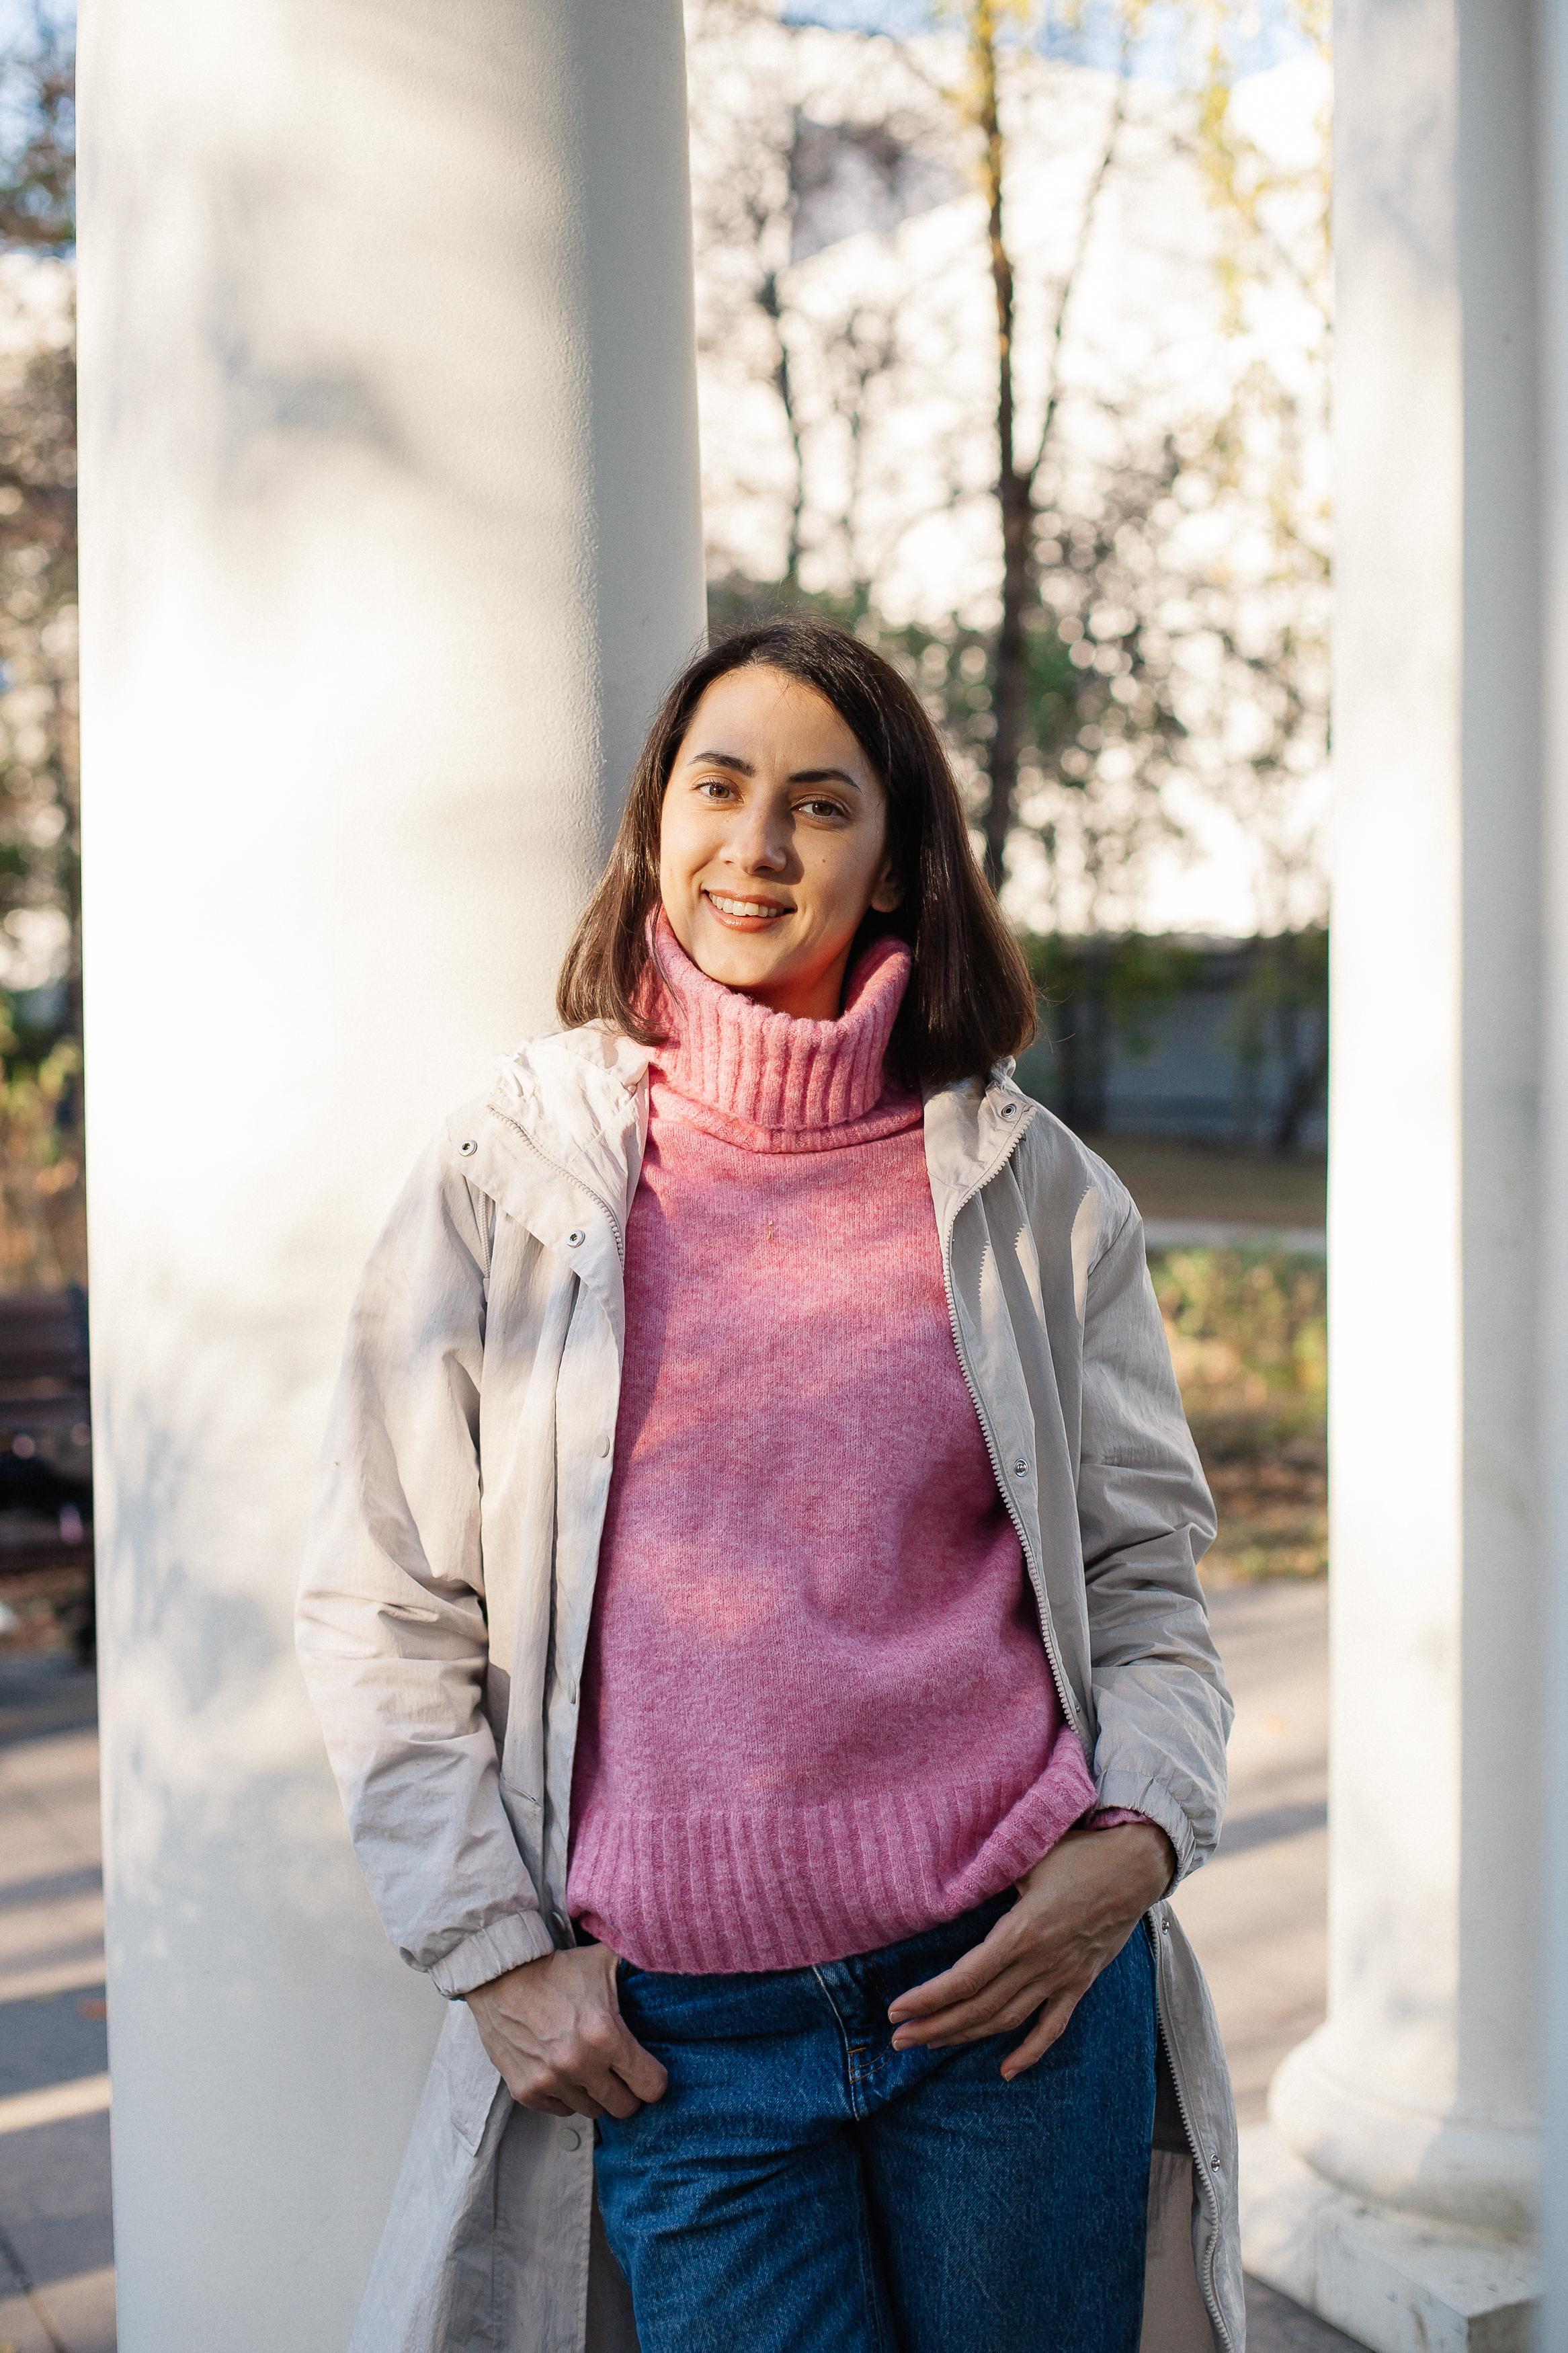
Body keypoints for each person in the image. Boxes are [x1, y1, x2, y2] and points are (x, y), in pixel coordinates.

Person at [296, 616, 1241, 2353]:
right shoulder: (512, 1175)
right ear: (659, 821)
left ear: (892, 869)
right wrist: (496, 1953)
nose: (757, 844)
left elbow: (1151, 1575)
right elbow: (381, 1593)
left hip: (1010, 1993)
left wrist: (1138, 1836)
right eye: (719, 788)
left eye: (821, 805)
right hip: (683, 2045)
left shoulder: (1036, 1197)